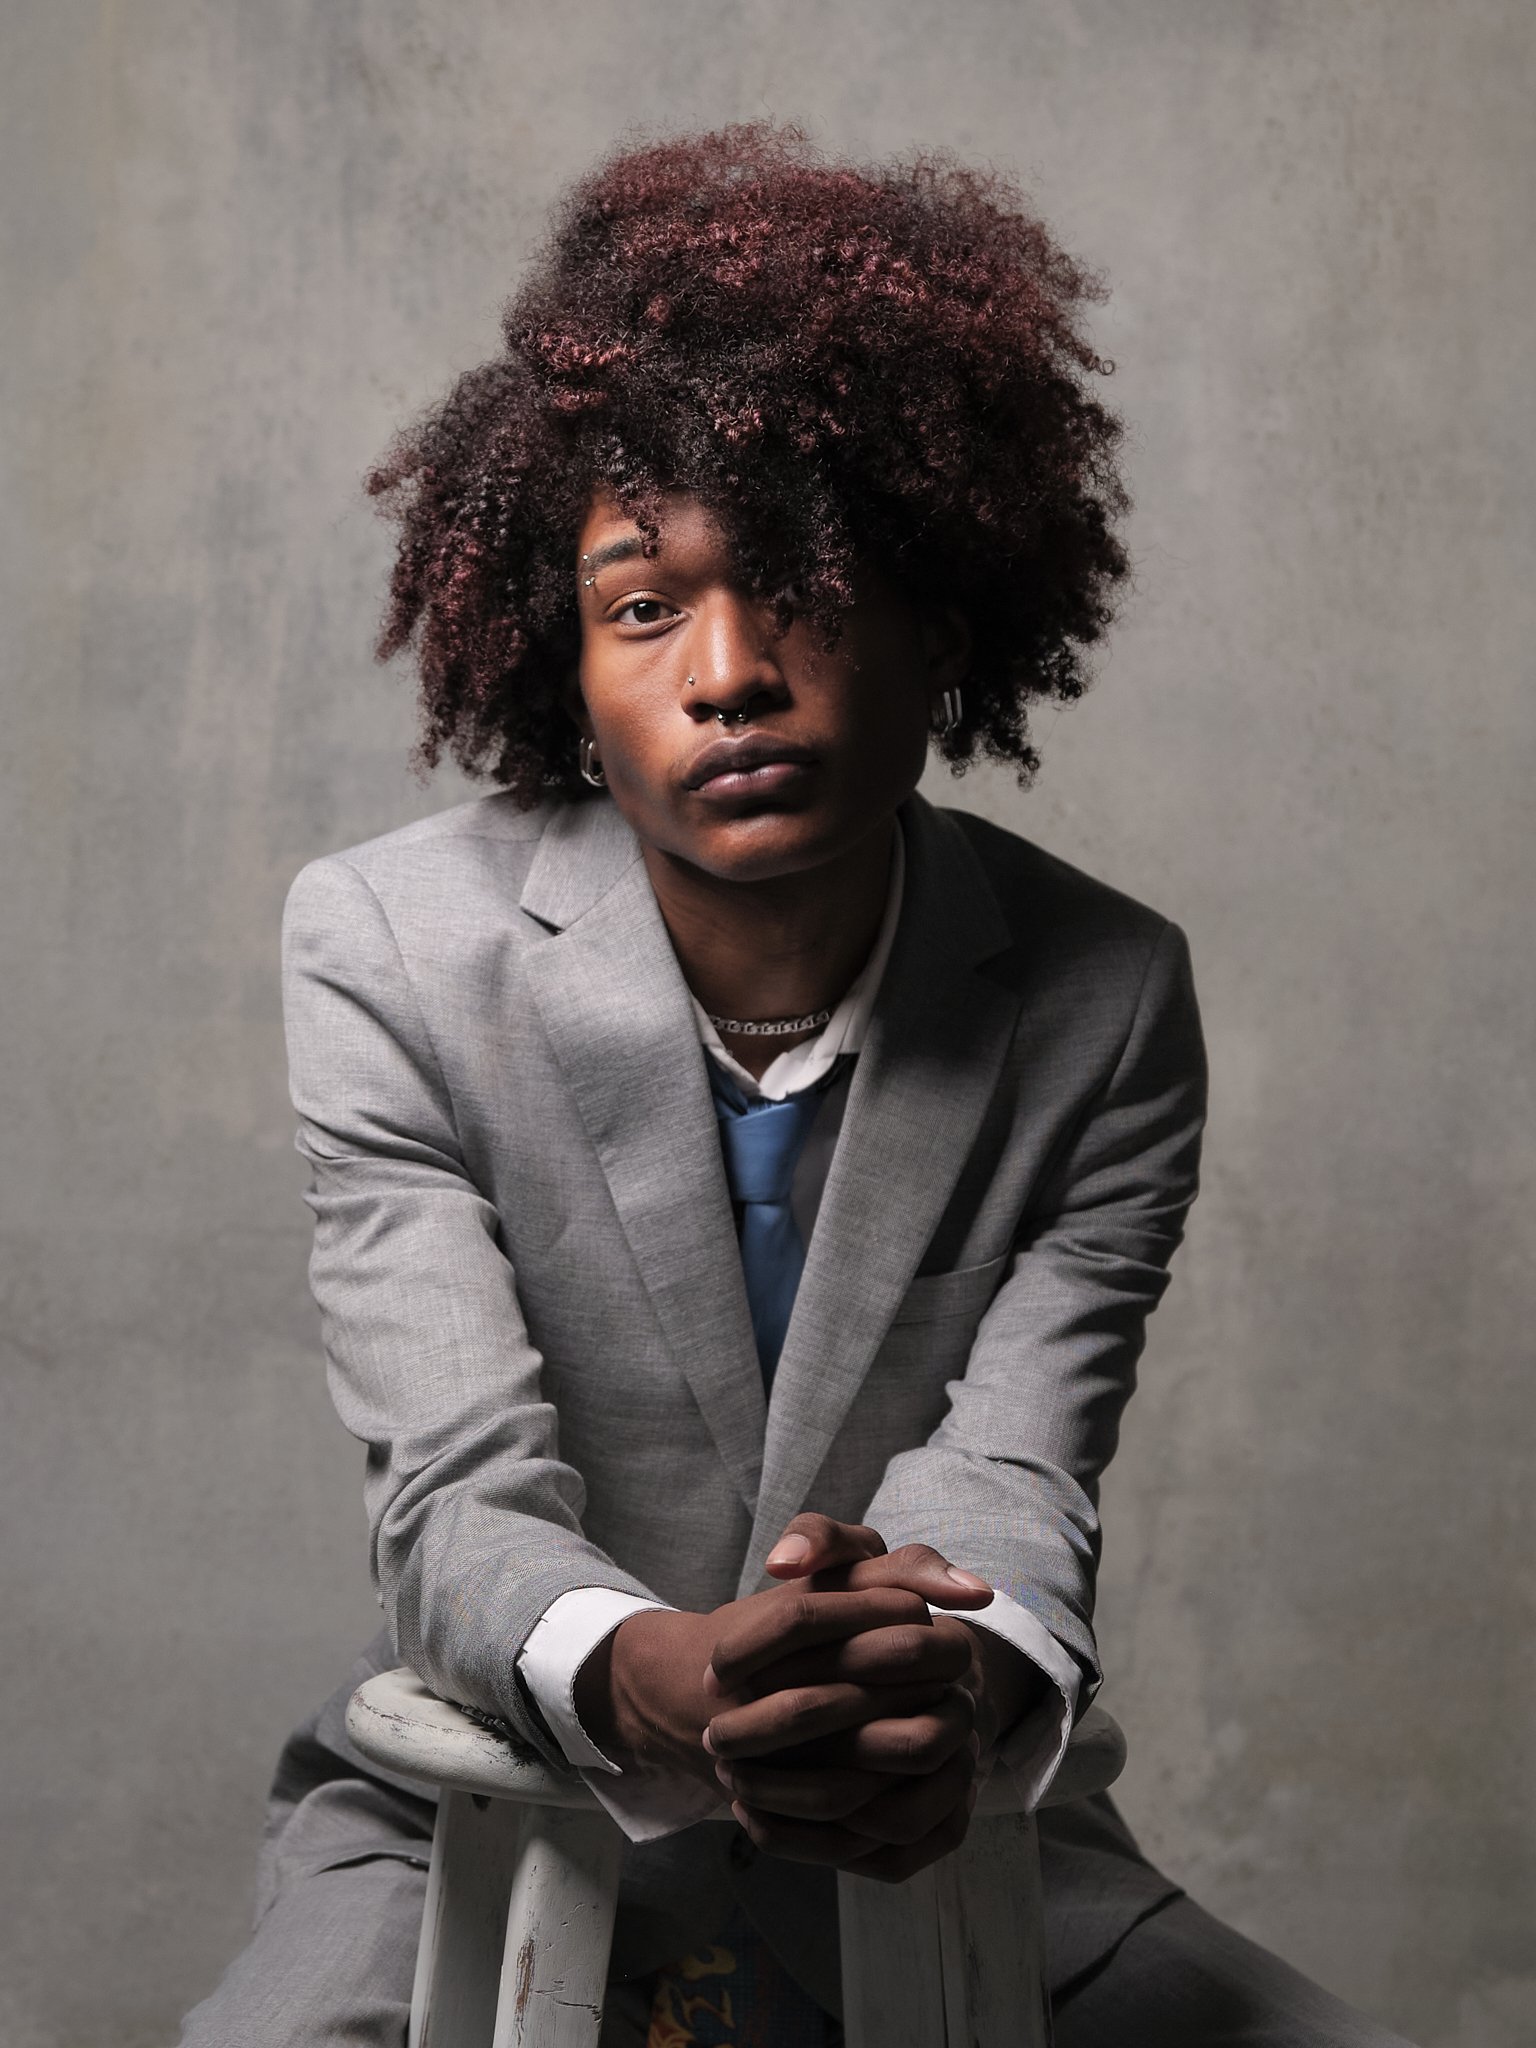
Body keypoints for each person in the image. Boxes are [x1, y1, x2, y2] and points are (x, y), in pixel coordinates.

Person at [180, 125, 1412, 2047]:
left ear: (937, 613)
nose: (732, 670)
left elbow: (1016, 1469)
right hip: (482, 1804)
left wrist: (953, 1688)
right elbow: (455, 1496)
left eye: (803, 582)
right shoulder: (388, 947)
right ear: (561, 675)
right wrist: (657, 1671)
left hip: (960, 1821)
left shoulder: (1104, 994)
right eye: (644, 604)